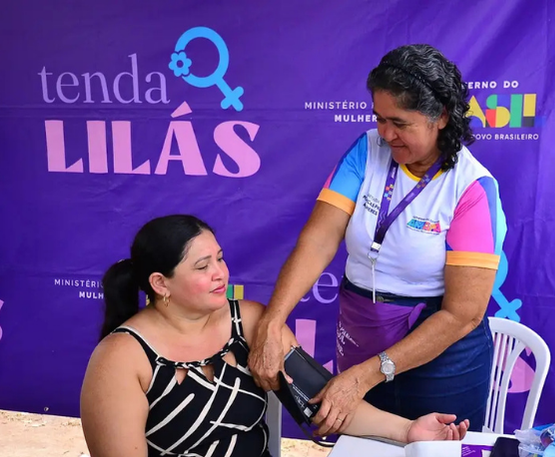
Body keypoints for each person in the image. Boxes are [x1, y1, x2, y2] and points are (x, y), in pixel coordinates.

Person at [248, 44, 506, 434]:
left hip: (440, 357)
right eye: (379, 119)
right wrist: (272, 321)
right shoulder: (366, 150)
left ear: (440, 117)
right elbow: (319, 239)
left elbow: (463, 314)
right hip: (362, 334)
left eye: (400, 123)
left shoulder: (471, 188)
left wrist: (363, 377)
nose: (386, 134)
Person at [79, 215, 469, 457]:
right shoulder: (121, 357)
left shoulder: (249, 323)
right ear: (160, 283)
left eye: (220, 258)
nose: (221, 273)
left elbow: (320, 400)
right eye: (203, 266)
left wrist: (407, 430)